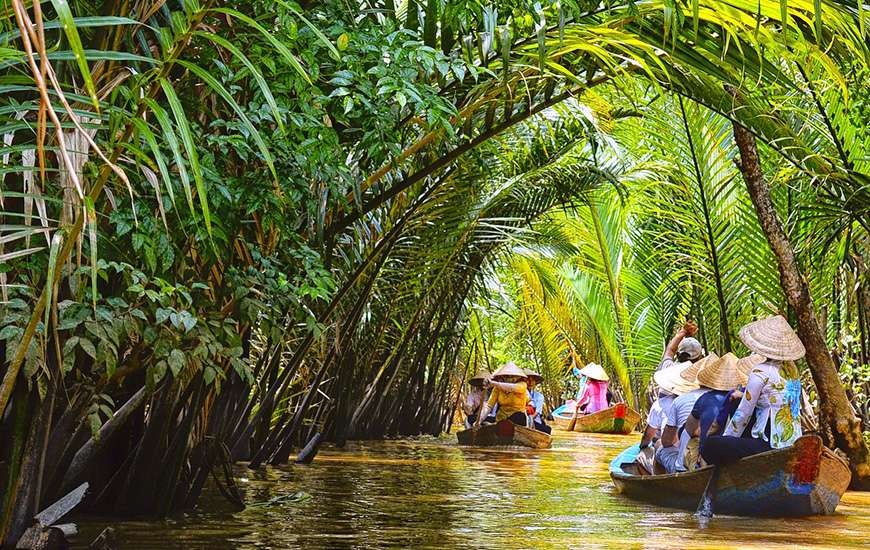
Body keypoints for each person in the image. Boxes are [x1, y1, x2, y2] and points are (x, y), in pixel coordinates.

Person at [702, 316, 805, 465]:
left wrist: (728, 439)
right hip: (793, 442)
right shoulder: (792, 372)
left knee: (711, 445)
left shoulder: (760, 371)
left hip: (770, 445)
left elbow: (744, 412)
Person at [681, 353, 756, 470]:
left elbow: (694, 430)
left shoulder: (710, 398)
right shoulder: (750, 396)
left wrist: (703, 447)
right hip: (745, 449)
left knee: (701, 444)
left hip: (721, 452)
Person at [640, 321, 705, 448]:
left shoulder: (668, 369)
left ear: (679, 354)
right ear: (699, 358)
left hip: (669, 442)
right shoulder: (701, 376)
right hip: (694, 443)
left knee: (656, 445)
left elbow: (670, 350)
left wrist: (682, 333)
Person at [655, 353, 719, 474]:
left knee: (659, 445)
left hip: (685, 467)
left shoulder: (681, 400)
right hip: (714, 463)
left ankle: (657, 486)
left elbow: (667, 442)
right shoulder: (728, 398)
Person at [476, 362, 529, 427]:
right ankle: (497, 425)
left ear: (518, 377)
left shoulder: (522, 385)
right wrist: (479, 420)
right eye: (507, 376)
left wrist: (493, 383)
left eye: (513, 376)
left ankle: (498, 425)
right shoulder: (497, 388)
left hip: (517, 419)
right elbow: (489, 406)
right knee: (472, 418)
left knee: (519, 416)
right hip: (501, 419)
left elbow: (512, 388)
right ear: (502, 377)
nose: (509, 378)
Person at [524, 369, 551, 434]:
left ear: (535, 382)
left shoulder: (539, 396)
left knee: (548, 430)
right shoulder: (519, 393)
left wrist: (529, 420)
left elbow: (537, 413)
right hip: (522, 419)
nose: (530, 382)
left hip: (534, 420)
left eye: (532, 380)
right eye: (528, 380)